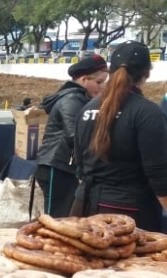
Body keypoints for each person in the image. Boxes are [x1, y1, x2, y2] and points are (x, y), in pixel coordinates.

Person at [74, 41, 167, 231]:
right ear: (147, 73)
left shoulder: (86, 109)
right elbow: (159, 174)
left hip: (84, 207)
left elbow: (80, 165)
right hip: (128, 215)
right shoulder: (147, 112)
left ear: (111, 71)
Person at [33, 55, 108, 218]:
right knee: (58, 219)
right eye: (99, 82)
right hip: (57, 166)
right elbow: (75, 135)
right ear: (84, 79)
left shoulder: (79, 99)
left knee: (66, 218)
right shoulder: (72, 100)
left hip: (63, 166)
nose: (103, 87)